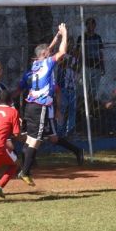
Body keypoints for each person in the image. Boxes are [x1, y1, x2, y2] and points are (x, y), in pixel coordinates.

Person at [17, 23, 83, 186]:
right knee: (36, 141)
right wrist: (65, 34)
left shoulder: (35, 65)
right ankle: (25, 172)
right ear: (45, 56)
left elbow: (48, 50)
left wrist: (57, 35)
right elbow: (62, 52)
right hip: (40, 107)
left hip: (30, 106)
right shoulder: (47, 64)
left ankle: (24, 168)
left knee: (30, 139)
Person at [76, 17, 106, 104]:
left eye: (92, 24)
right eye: (88, 24)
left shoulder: (98, 37)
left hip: (96, 66)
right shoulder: (81, 37)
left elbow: (101, 52)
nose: (90, 26)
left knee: (94, 89)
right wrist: (79, 66)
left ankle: (90, 106)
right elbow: (77, 53)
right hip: (85, 66)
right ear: (86, 26)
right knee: (83, 88)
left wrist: (102, 66)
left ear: (94, 25)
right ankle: (83, 107)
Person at [56, 43, 79, 138]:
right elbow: (62, 65)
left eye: (72, 45)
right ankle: (59, 131)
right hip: (63, 87)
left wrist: (74, 59)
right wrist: (68, 61)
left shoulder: (75, 59)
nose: (71, 47)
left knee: (72, 110)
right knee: (62, 109)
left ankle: (70, 130)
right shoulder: (61, 55)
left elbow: (77, 69)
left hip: (72, 87)